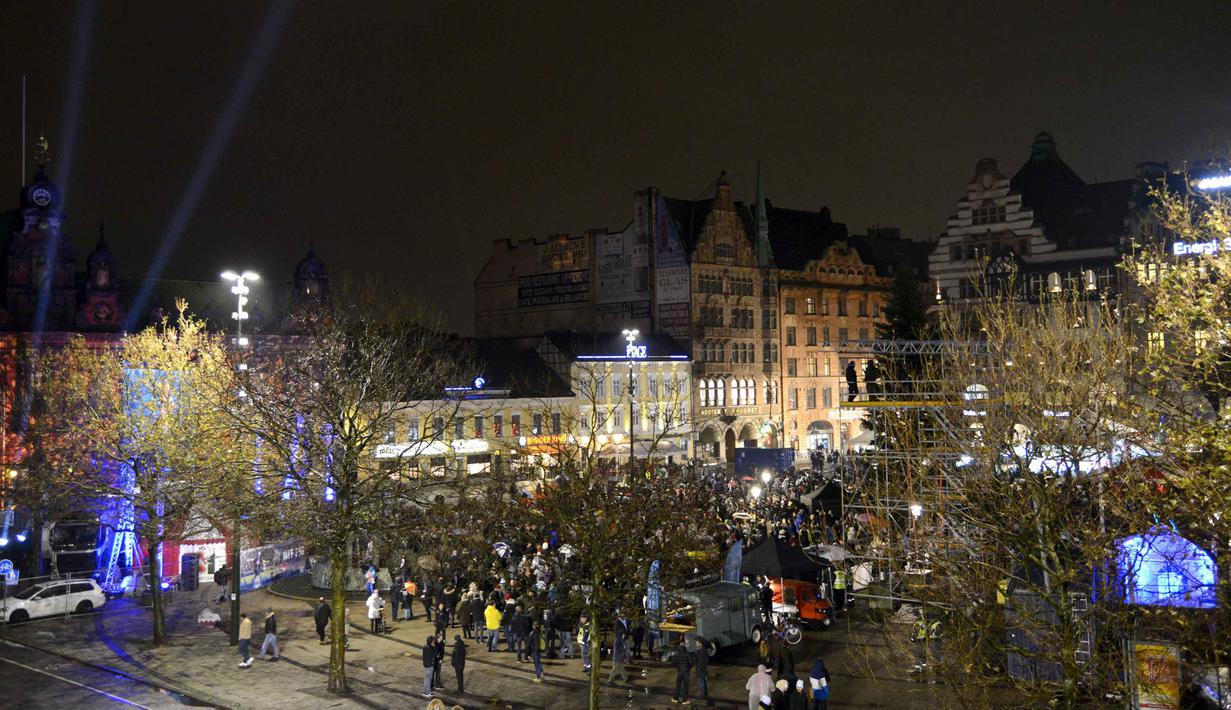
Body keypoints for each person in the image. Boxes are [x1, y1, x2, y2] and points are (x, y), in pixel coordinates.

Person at [670, 638, 692, 704]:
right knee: (685, 687)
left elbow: (673, 664)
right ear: (685, 647)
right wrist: (688, 668)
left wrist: (677, 667)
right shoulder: (688, 654)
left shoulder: (676, 654)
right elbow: (691, 663)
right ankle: (684, 700)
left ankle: (675, 699)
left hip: (679, 672)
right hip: (686, 673)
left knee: (678, 686)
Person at [695, 636, 710, 703]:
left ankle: (703, 695)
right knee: (703, 681)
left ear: (700, 643)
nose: (696, 643)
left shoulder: (702, 651)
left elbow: (700, 662)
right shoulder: (701, 650)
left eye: (697, 642)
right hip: (703, 670)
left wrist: (698, 671)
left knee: (701, 682)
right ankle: (705, 694)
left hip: (701, 670)